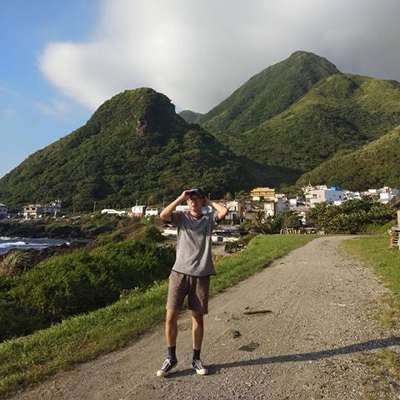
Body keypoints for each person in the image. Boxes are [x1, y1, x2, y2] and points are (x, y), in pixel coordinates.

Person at [156, 187, 228, 377]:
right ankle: (171, 358)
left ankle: (196, 358)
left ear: (202, 201)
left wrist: (208, 201)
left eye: (197, 199)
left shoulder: (208, 219)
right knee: (170, 316)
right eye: (191, 199)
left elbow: (224, 211)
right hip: (179, 273)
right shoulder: (181, 218)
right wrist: (181, 197)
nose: (193, 202)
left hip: (201, 274)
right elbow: (164, 215)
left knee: (197, 318)